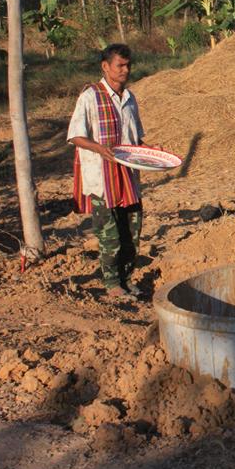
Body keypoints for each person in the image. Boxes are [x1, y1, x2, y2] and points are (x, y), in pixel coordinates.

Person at [67, 44, 145, 300]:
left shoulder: (130, 98)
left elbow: (136, 139)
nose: (125, 70)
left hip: (128, 178)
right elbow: (76, 136)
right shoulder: (90, 96)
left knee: (132, 234)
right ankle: (112, 284)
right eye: (120, 65)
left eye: (128, 65)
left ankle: (126, 279)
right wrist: (100, 148)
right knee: (110, 236)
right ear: (105, 66)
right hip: (102, 179)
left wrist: (151, 152)